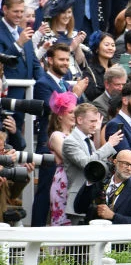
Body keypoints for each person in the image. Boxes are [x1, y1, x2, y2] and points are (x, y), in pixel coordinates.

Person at [46, 92, 78, 226]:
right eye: (71, 112)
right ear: (60, 116)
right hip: (63, 181)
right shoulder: (56, 135)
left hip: (76, 180)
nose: (74, 116)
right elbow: (69, 158)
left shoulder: (77, 134)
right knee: (61, 222)